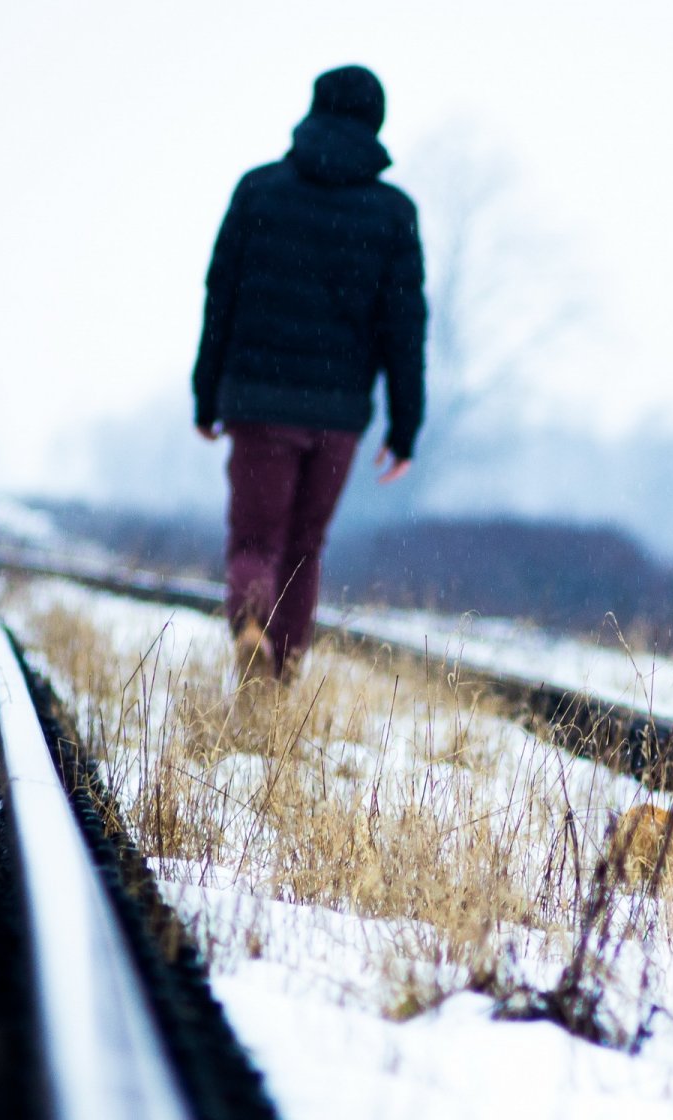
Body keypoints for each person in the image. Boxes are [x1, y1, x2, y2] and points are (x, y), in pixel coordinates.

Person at [192, 64, 427, 685]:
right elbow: (405, 326)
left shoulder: (259, 190)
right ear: (375, 123)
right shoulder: (392, 213)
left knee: (254, 542)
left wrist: (205, 394)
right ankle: (285, 668)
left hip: (258, 400)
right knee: (302, 549)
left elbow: (221, 295)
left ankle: (249, 627)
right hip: (338, 413)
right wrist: (405, 426)